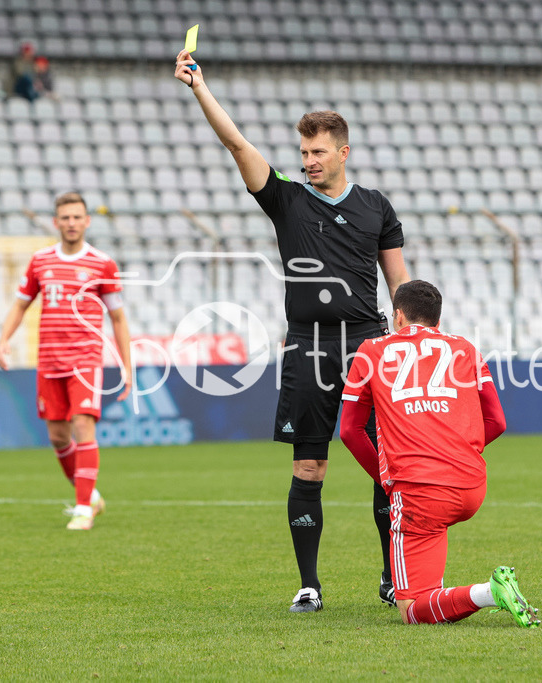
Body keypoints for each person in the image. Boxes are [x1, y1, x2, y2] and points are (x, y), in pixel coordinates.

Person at [175, 49, 411, 613]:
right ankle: (309, 583)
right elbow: (237, 145)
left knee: (386, 464)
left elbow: (399, 283)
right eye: (303, 151)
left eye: (318, 151)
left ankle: (390, 576)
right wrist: (199, 88)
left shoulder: (377, 206)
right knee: (310, 465)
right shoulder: (286, 199)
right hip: (308, 344)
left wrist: (409, 338)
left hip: (369, 344)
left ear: (342, 152)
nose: (308, 160)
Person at [339, 280, 540, 627]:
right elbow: (497, 420)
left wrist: (385, 477)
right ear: (437, 318)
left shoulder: (370, 352)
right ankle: (439, 587)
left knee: (411, 610)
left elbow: (349, 430)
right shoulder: (465, 348)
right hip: (471, 486)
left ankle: (489, 592)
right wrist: (461, 452)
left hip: (419, 490)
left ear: (398, 316)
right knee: (430, 564)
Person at [0, 192, 133, 531]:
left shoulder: (102, 263)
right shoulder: (40, 261)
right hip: (49, 360)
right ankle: (92, 496)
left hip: (85, 359)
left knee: (83, 425)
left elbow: (118, 318)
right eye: (65, 218)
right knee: (58, 436)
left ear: (87, 221)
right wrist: (3, 341)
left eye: (77, 217)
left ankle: (83, 508)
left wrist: (127, 365)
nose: (71, 223)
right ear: (56, 223)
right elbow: (20, 305)